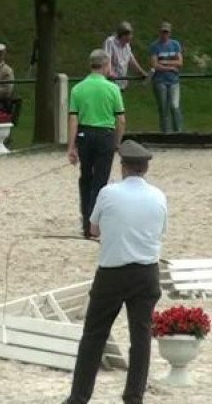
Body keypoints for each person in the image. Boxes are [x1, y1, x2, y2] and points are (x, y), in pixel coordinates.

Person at [63, 139, 167, 404]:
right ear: (145, 168)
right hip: (146, 272)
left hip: (113, 273)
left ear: (123, 167)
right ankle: (134, 397)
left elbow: (94, 229)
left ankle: (79, 397)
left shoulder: (108, 193)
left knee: (94, 336)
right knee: (140, 337)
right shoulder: (158, 196)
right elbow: (160, 231)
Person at [67, 49, 125, 239]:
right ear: (106, 65)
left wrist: (71, 147)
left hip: (85, 134)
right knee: (101, 181)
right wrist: (117, 142)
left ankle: (86, 223)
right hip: (105, 135)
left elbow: (73, 120)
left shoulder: (78, 89)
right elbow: (121, 119)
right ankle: (97, 224)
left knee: (86, 178)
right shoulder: (113, 89)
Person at [150, 21, 183, 133]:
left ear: (169, 33)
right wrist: (171, 67)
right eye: (163, 32)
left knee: (174, 106)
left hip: (173, 81)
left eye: (166, 32)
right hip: (160, 81)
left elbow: (180, 62)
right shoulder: (155, 46)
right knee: (163, 109)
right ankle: (165, 133)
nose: (164, 34)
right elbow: (155, 65)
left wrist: (164, 62)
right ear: (160, 32)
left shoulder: (175, 44)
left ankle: (178, 131)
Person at [103, 21, 148, 91]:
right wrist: (110, 72)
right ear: (121, 35)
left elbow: (131, 60)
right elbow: (106, 59)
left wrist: (141, 72)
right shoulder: (110, 42)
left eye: (130, 36)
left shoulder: (127, 45)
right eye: (127, 36)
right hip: (110, 82)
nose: (129, 38)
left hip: (121, 82)